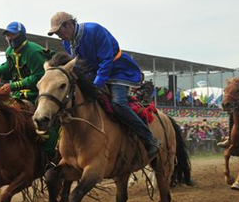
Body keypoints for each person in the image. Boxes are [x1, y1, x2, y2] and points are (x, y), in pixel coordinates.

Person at [47, 12, 160, 160]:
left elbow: (106, 59)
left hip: (117, 70)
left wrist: (96, 84)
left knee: (118, 104)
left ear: (68, 24)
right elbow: (79, 66)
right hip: (95, 74)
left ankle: (150, 139)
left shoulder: (94, 30)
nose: (59, 36)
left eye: (58, 32)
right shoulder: (66, 42)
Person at [0, 21, 52, 102]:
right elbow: (8, 67)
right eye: (8, 35)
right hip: (18, 95)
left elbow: (38, 77)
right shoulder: (9, 51)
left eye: (13, 34)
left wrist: (13, 86)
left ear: (21, 35)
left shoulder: (33, 52)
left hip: (37, 95)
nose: (10, 38)